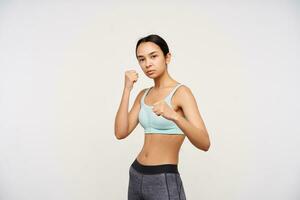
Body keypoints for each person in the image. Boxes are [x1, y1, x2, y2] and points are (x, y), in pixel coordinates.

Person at [114, 34, 211, 200]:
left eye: (153, 56)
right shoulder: (143, 95)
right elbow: (120, 133)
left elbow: (205, 143)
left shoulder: (181, 93)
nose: (147, 64)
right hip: (136, 174)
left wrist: (174, 116)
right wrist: (127, 90)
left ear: (167, 57)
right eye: (141, 59)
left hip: (163, 178)